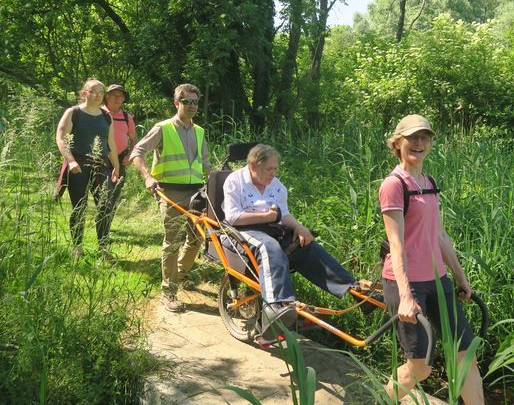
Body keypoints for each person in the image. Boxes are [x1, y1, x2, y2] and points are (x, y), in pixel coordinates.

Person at [380, 114, 485, 404]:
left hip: (438, 281)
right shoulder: (394, 184)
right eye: (412, 138)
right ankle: (384, 399)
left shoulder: (428, 181)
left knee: (466, 357)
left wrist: (461, 278)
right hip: (407, 284)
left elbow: (440, 235)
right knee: (420, 368)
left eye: (424, 137)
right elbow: (396, 244)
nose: (419, 143)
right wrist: (404, 295)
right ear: (397, 143)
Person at [222, 144, 358, 341]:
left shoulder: (276, 185)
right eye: (269, 169)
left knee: (306, 245)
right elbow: (233, 217)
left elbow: (283, 214)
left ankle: (353, 288)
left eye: (275, 168)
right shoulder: (235, 181)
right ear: (252, 165)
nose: (273, 173)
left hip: (271, 227)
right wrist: (267, 216)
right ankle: (275, 307)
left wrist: (299, 228)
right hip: (241, 229)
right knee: (269, 247)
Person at [131, 84, 211, 313]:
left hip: (197, 193)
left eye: (195, 102)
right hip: (169, 192)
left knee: (196, 239)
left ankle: (180, 274)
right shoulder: (163, 128)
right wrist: (147, 177)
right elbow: (137, 152)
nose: (192, 106)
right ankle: (169, 292)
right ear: (177, 103)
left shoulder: (200, 131)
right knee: (172, 241)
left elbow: (205, 164)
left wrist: (219, 179)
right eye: (187, 102)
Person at [55, 78, 120, 258]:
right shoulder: (73, 112)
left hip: (101, 166)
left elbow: (111, 143)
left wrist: (116, 166)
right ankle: (77, 248)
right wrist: (71, 161)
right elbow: (61, 138)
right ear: (84, 93)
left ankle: (103, 248)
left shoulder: (107, 116)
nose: (98, 95)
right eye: (93, 91)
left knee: (105, 206)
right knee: (79, 207)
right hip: (78, 166)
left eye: (101, 92)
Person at [102, 84, 137, 205]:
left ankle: (107, 219)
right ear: (107, 97)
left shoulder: (127, 117)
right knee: (103, 194)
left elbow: (133, 140)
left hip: (121, 159)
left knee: (115, 193)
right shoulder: (99, 113)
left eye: (120, 96)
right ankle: (102, 218)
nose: (117, 98)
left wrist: (130, 155)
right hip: (102, 159)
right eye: (113, 95)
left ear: (123, 99)